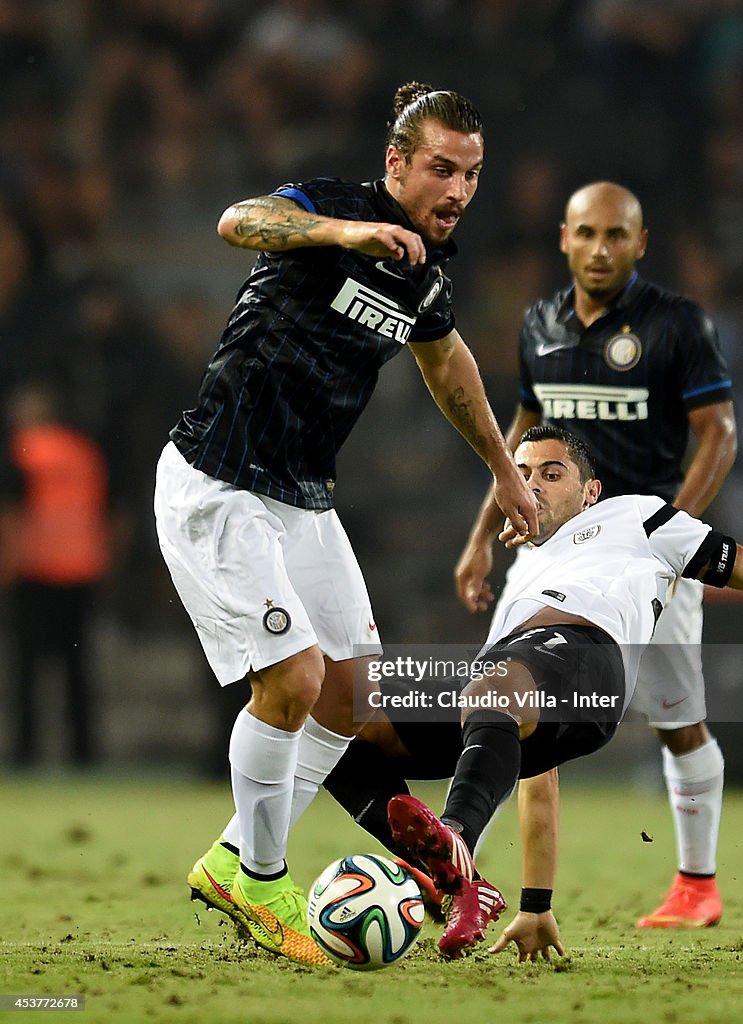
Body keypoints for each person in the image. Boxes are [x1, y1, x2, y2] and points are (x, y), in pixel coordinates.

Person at [153, 81, 538, 967]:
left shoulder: (426, 272)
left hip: (302, 497)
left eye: (471, 175)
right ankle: (259, 874)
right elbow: (236, 222)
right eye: (441, 169)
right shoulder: (333, 208)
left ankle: (234, 861)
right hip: (219, 481)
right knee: (290, 680)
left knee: (352, 696)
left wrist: (501, 471)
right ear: (396, 162)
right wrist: (342, 233)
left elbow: (448, 369)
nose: (457, 191)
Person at [325, 424, 743, 960]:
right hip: (519, 678)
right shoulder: (520, 583)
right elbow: (533, 768)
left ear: (589, 492)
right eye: (522, 473)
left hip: (591, 661)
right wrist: (536, 903)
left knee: (496, 685)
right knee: (334, 720)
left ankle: (455, 838)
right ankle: (463, 883)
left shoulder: (638, 517)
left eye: (552, 474)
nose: (533, 484)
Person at [454, 181, 737, 929]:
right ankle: (465, 876)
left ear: (640, 243)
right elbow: (519, 434)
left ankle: (695, 884)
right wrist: (481, 538)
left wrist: (673, 535)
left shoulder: (675, 325)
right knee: (504, 702)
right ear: (563, 238)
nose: (600, 249)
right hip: (546, 546)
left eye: (616, 235)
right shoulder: (538, 322)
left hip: (641, 554)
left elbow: (719, 432)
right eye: (586, 234)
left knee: (679, 721)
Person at [0, 381, 111, 766]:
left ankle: (25, 752)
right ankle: (84, 752)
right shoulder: (83, 451)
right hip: (82, 568)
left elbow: (12, 512)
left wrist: (7, 565)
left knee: (27, 670)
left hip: (35, 568)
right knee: (77, 667)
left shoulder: (21, 452)